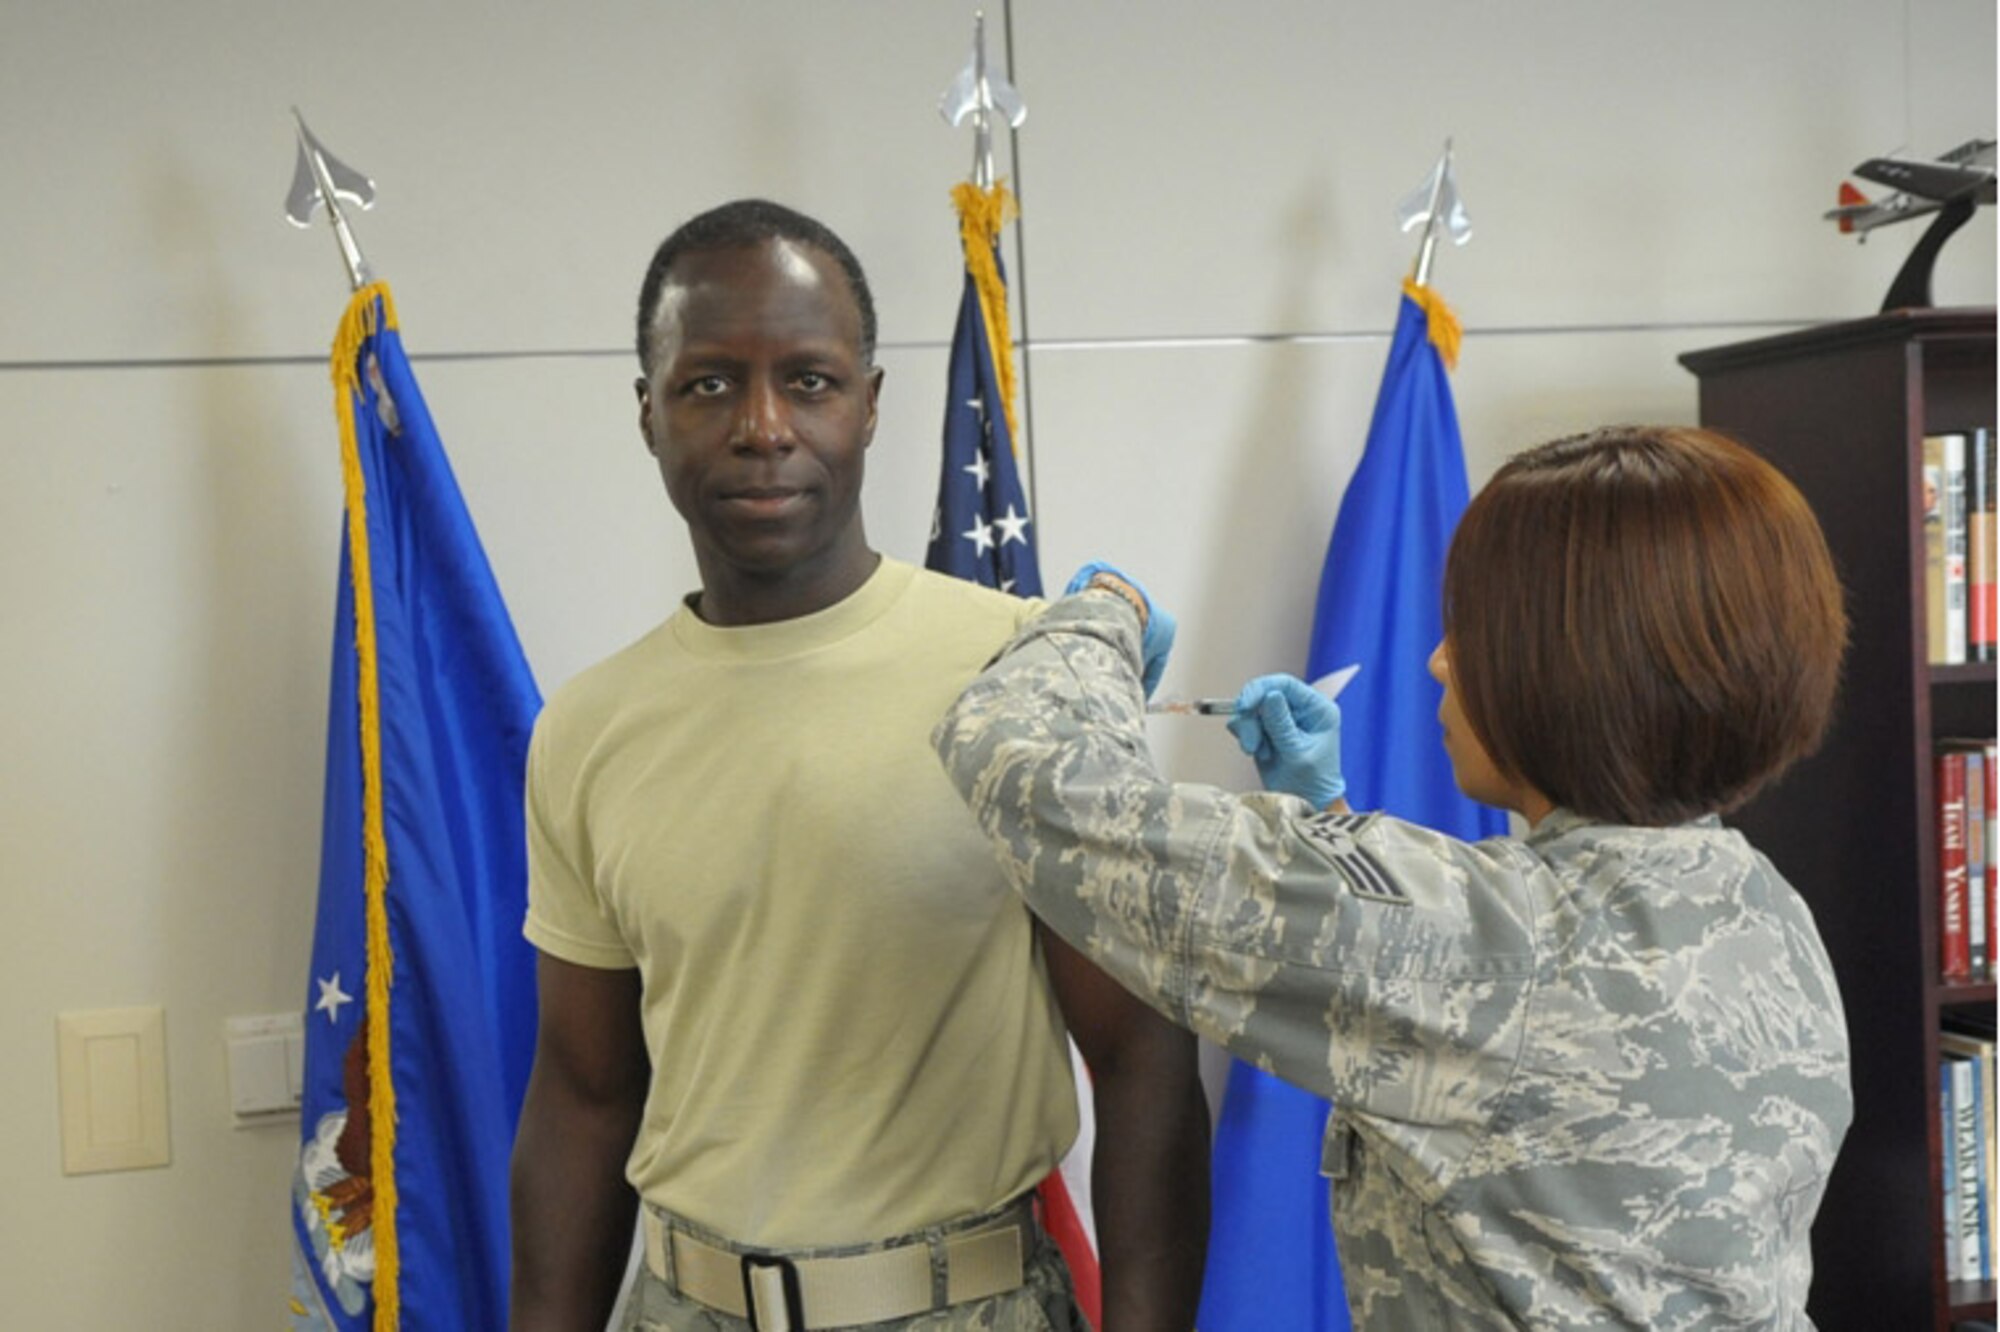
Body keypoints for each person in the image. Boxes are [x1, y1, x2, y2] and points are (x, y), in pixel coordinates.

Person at [933, 426, 1854, 1330]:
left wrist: (1103, 614)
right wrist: (1326, 825)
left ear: (1576, 667)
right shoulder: (1759, 904)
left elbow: (1032, 778)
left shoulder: (1496, 949)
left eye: (1476, 630)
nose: (1439, 659)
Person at [509, 199, 1209, 1332]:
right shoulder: (588, 727)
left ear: (872, 405)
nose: (762, 426)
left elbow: (1142, 1060)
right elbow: (583, 1097)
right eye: (708, 385)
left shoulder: (1018, 678)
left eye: (811, 380)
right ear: (647, 416)